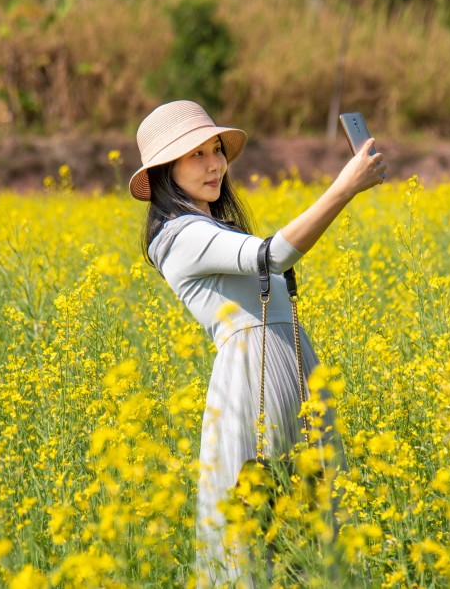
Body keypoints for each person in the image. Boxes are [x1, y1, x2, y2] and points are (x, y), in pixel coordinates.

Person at [132, 100, 385, 585]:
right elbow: (273, 254)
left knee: (315, 521)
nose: (214, 165)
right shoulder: (178, 236)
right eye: (195, 156)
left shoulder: (210, 226)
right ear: (166, 170)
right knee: (255, 526)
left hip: (290, 360)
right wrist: (345, 187)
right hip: (252, 375)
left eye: (216, 151)